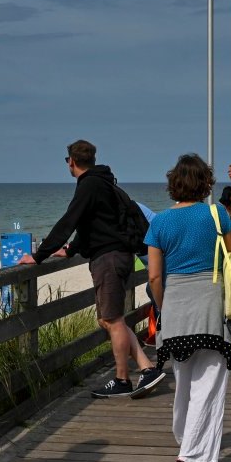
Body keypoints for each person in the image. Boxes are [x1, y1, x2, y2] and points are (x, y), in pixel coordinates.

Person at [20, 139, 164, 399]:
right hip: (117, 255)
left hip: (108, 258)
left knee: (112, 320)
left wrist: (38, 256)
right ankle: (147, 367)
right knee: (108, 319)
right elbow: (89, 224)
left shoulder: (89, 184)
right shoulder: (105, 182)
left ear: (71, 162)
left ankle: (122, 379)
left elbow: (70, 220)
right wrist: (71, 250)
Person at [145, 154, 231, 462]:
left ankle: (186, 441)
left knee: (183, 383)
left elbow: (155, 277)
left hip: (176, 308)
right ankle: (189, 458)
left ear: (174, 184)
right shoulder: (217, 215)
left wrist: (162, 308)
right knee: (208, 383)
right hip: (211, 306)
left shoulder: (159, 223)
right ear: (206, 183)